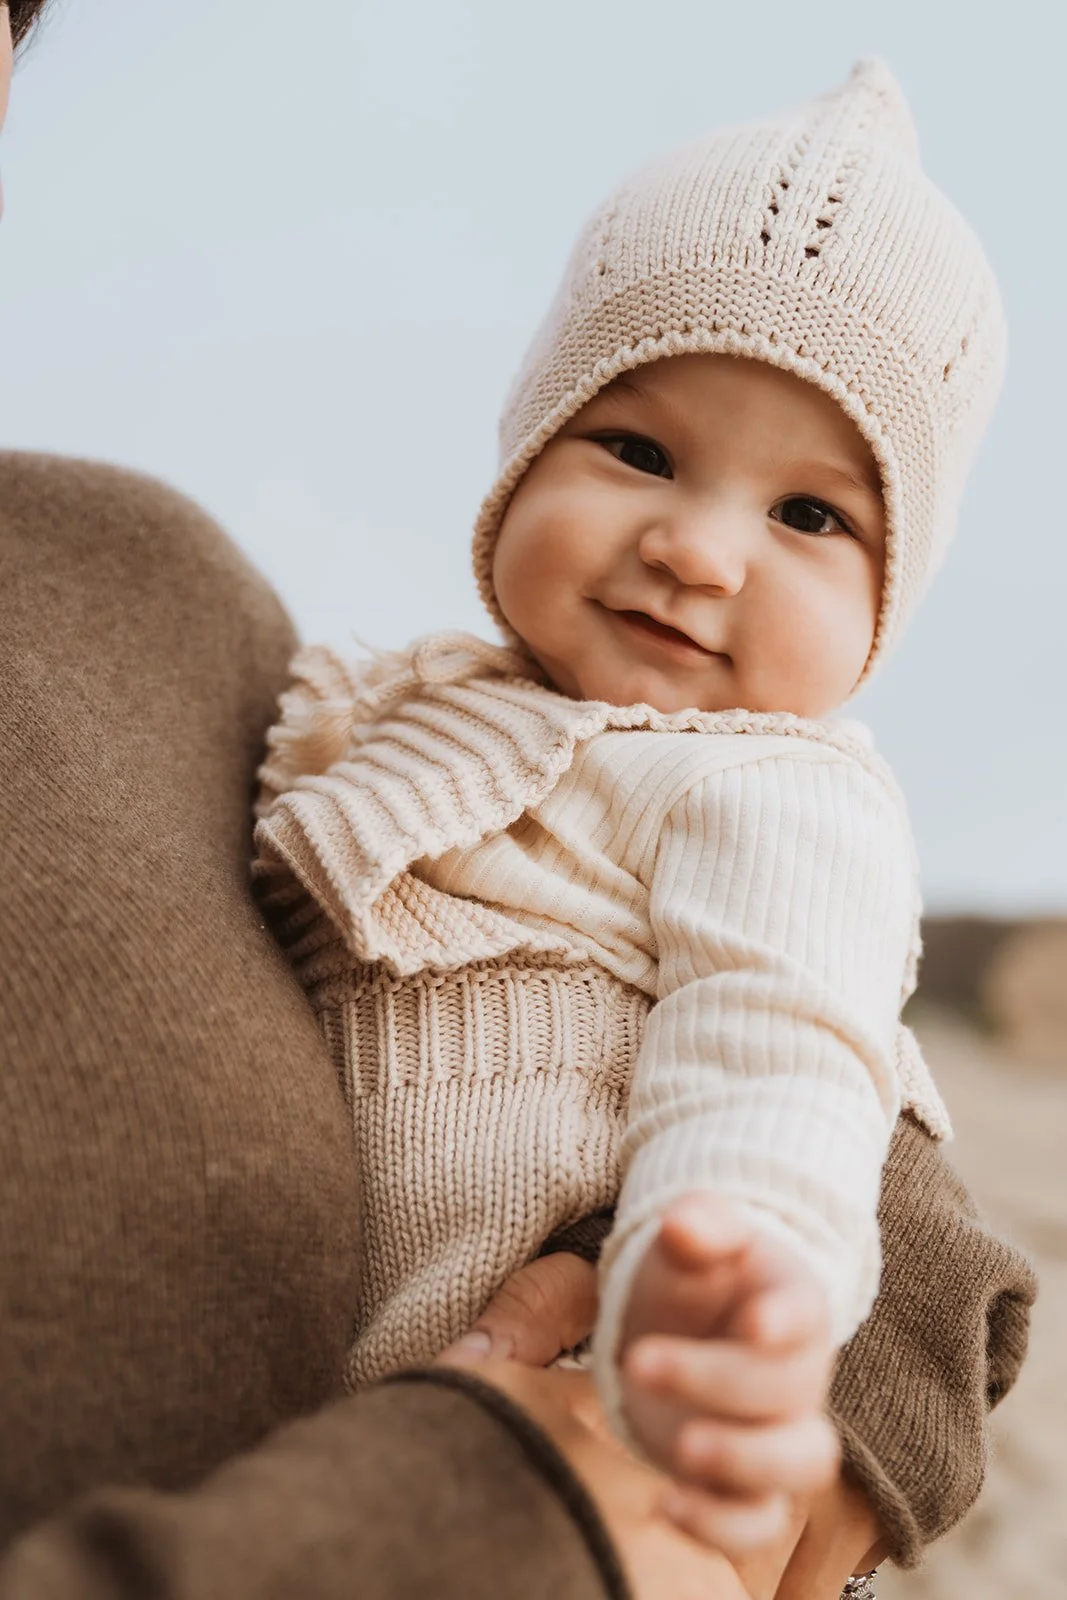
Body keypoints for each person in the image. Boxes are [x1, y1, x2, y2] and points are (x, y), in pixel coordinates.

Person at [0, 9, 1035, 1598]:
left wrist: (734, 1288)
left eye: (808, 512)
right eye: (634, 448)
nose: (700, 547)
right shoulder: (383, 712)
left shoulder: (779, 791)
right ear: (522, 448)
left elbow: (782, 1047)